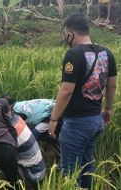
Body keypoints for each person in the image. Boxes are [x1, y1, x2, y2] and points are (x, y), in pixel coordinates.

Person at [48, 13, 117, 189]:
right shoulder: (107, 53)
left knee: (70, 171)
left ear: (71, 33)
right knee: (87, 166)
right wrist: (107, 109)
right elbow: (111, 86)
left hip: (77, 123)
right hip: (96, 120)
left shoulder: (73, 54)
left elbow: (66, 91)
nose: (65, 38)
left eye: (65, 34)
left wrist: (54, 119)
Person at [0, 98, 46, 189]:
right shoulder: (17, 118)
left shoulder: (11, 130)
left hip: (33, 175)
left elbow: (5, 154)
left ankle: (18, 186)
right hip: (39, 170)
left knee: (2, 163)